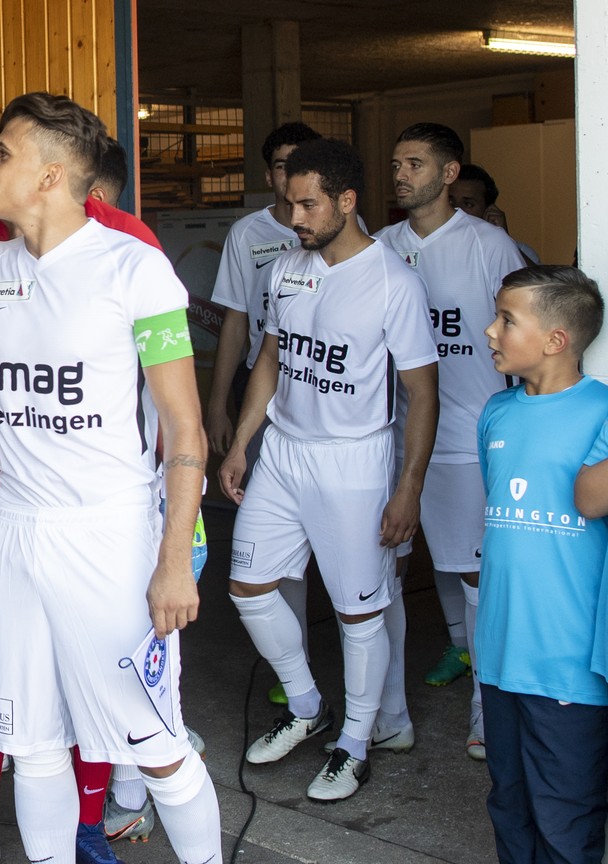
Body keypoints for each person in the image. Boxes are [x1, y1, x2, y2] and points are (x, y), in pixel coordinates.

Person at [0, 91, 219, 864]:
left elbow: (186, 429)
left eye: (4, 152)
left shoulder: (137, 270)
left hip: (108, 533)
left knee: (155, 742)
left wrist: (172, 561)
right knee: (29, 744)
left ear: (52, 176)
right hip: (15, 532)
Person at [0, 130, 163, 864]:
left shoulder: (131, 244)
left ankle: (88, 825)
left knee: (89, 664)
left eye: (3, 152)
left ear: (51, 171)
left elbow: (162, 390)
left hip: (100, 497)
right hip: (1, 482)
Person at [221, 137, 439, 802]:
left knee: (357, 612)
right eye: (289, 203)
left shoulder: (393, 282)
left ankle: (355, 743)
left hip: (355, 461)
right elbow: (269, 360)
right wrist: (241, 444)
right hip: (284, 452)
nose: (295, 217)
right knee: (248, 586)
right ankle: (310, 706)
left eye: (309, 204)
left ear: (347, 201)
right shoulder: (288, 269)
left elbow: (423, 394)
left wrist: (408, 487)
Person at [375, 123, 526, 761]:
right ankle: (385, 713)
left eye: (414, 163)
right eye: (396, 163)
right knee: (385, 569)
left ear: (448, 172)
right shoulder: (380, 245)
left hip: (466, 435)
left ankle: (487, 706)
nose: (400, 174)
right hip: (390, 438)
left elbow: (526, 335)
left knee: (471, 571)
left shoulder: (490, 245)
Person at [479, 265, 608, 862]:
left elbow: (590, 500)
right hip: (501, 655)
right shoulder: (496, 414)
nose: (490, 331)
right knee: (509, 805)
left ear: (556, 340)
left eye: (508, 320)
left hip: (569, 668)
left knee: (566, 819)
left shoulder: (601, 411)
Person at [204, 122, 322, 709]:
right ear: (267, 171)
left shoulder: (344, 234)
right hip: (264, 390)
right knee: (269, 538)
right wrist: (218, 403)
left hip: (329, 400)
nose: (287, 174)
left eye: (299, 164)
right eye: (279, 164)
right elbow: (234, 322)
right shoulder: (248, 235)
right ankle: (291, 663)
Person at [450, 164, 541, 265]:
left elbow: (539, 280)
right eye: (450, 201)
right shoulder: (432, 246)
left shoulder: (518, 250)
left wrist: (505, 241)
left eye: (468, 204)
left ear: (488, 209)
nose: (457, 209)